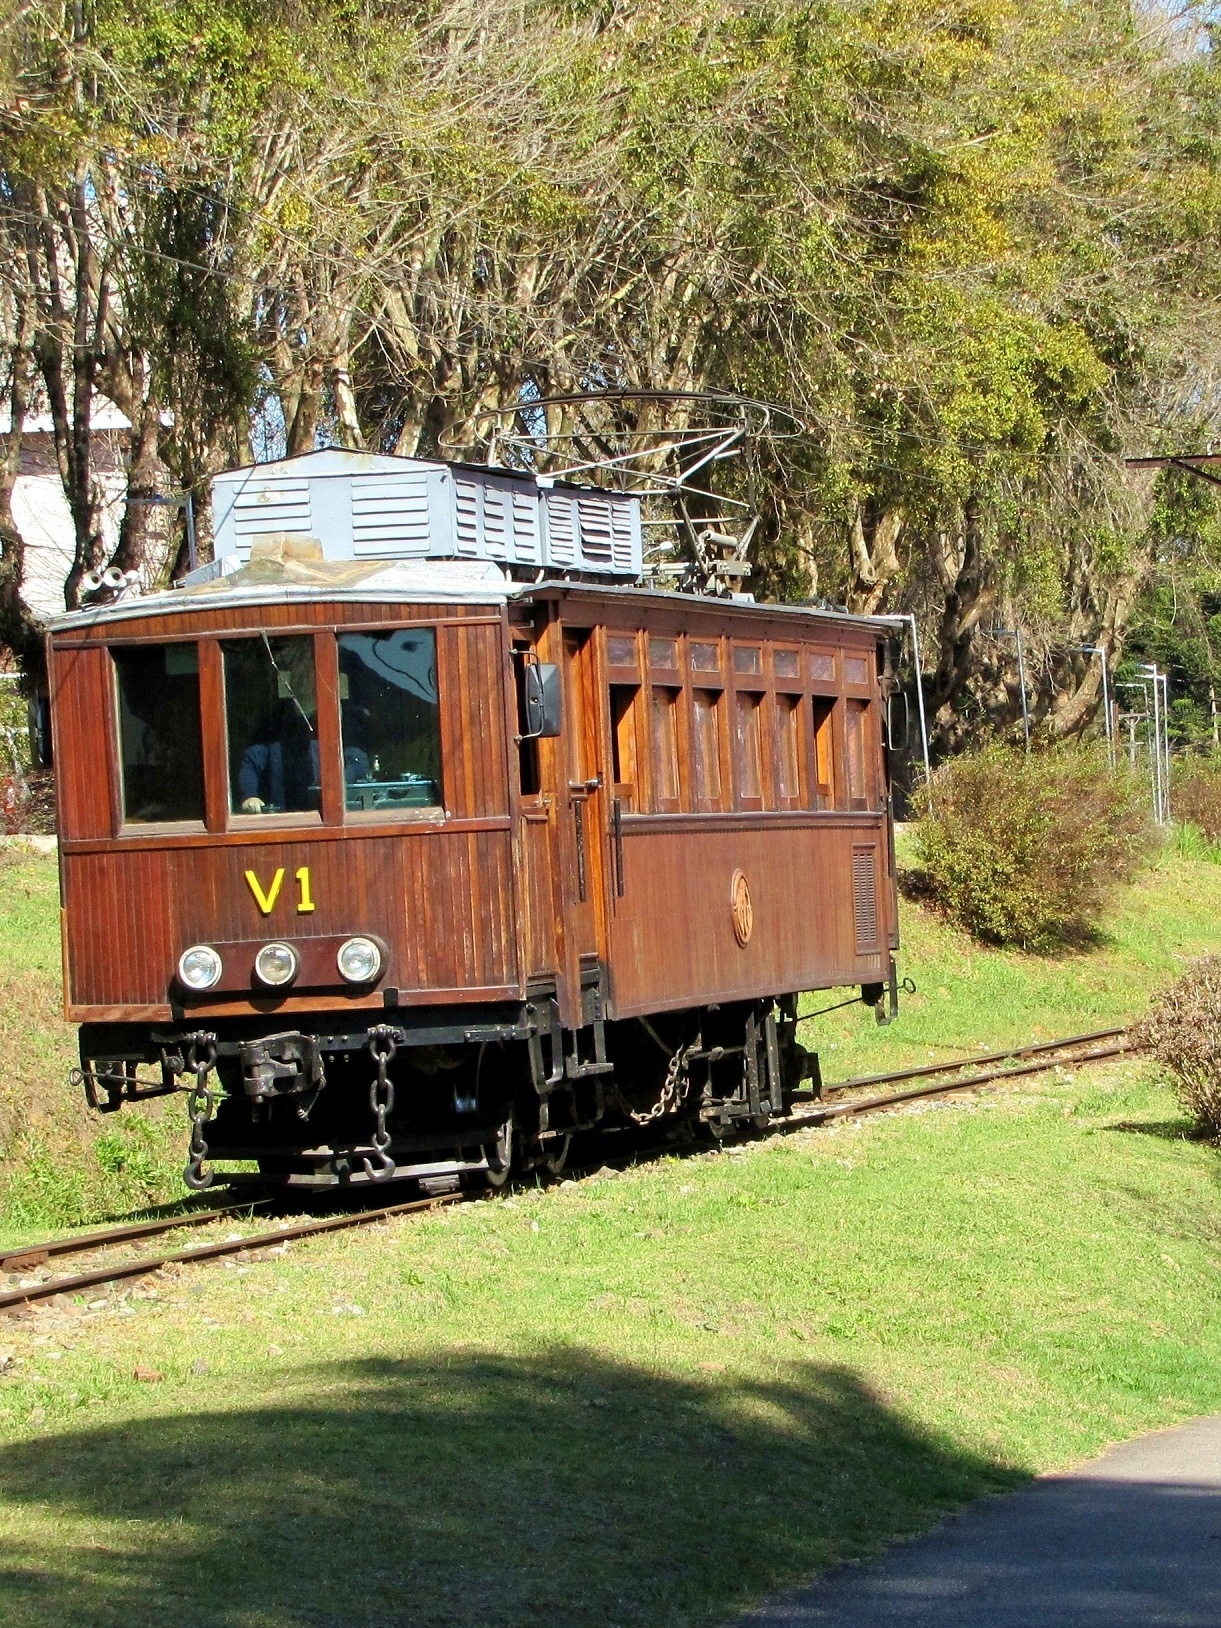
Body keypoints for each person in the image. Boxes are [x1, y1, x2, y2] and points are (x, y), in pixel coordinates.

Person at [238, 704, 369, 813]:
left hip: (323, 817)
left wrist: (336, 782)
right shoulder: (276, 746)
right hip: (285, 818)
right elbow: (252, 761)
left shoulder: (338, 747)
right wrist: (250, 796)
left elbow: (359, 761)